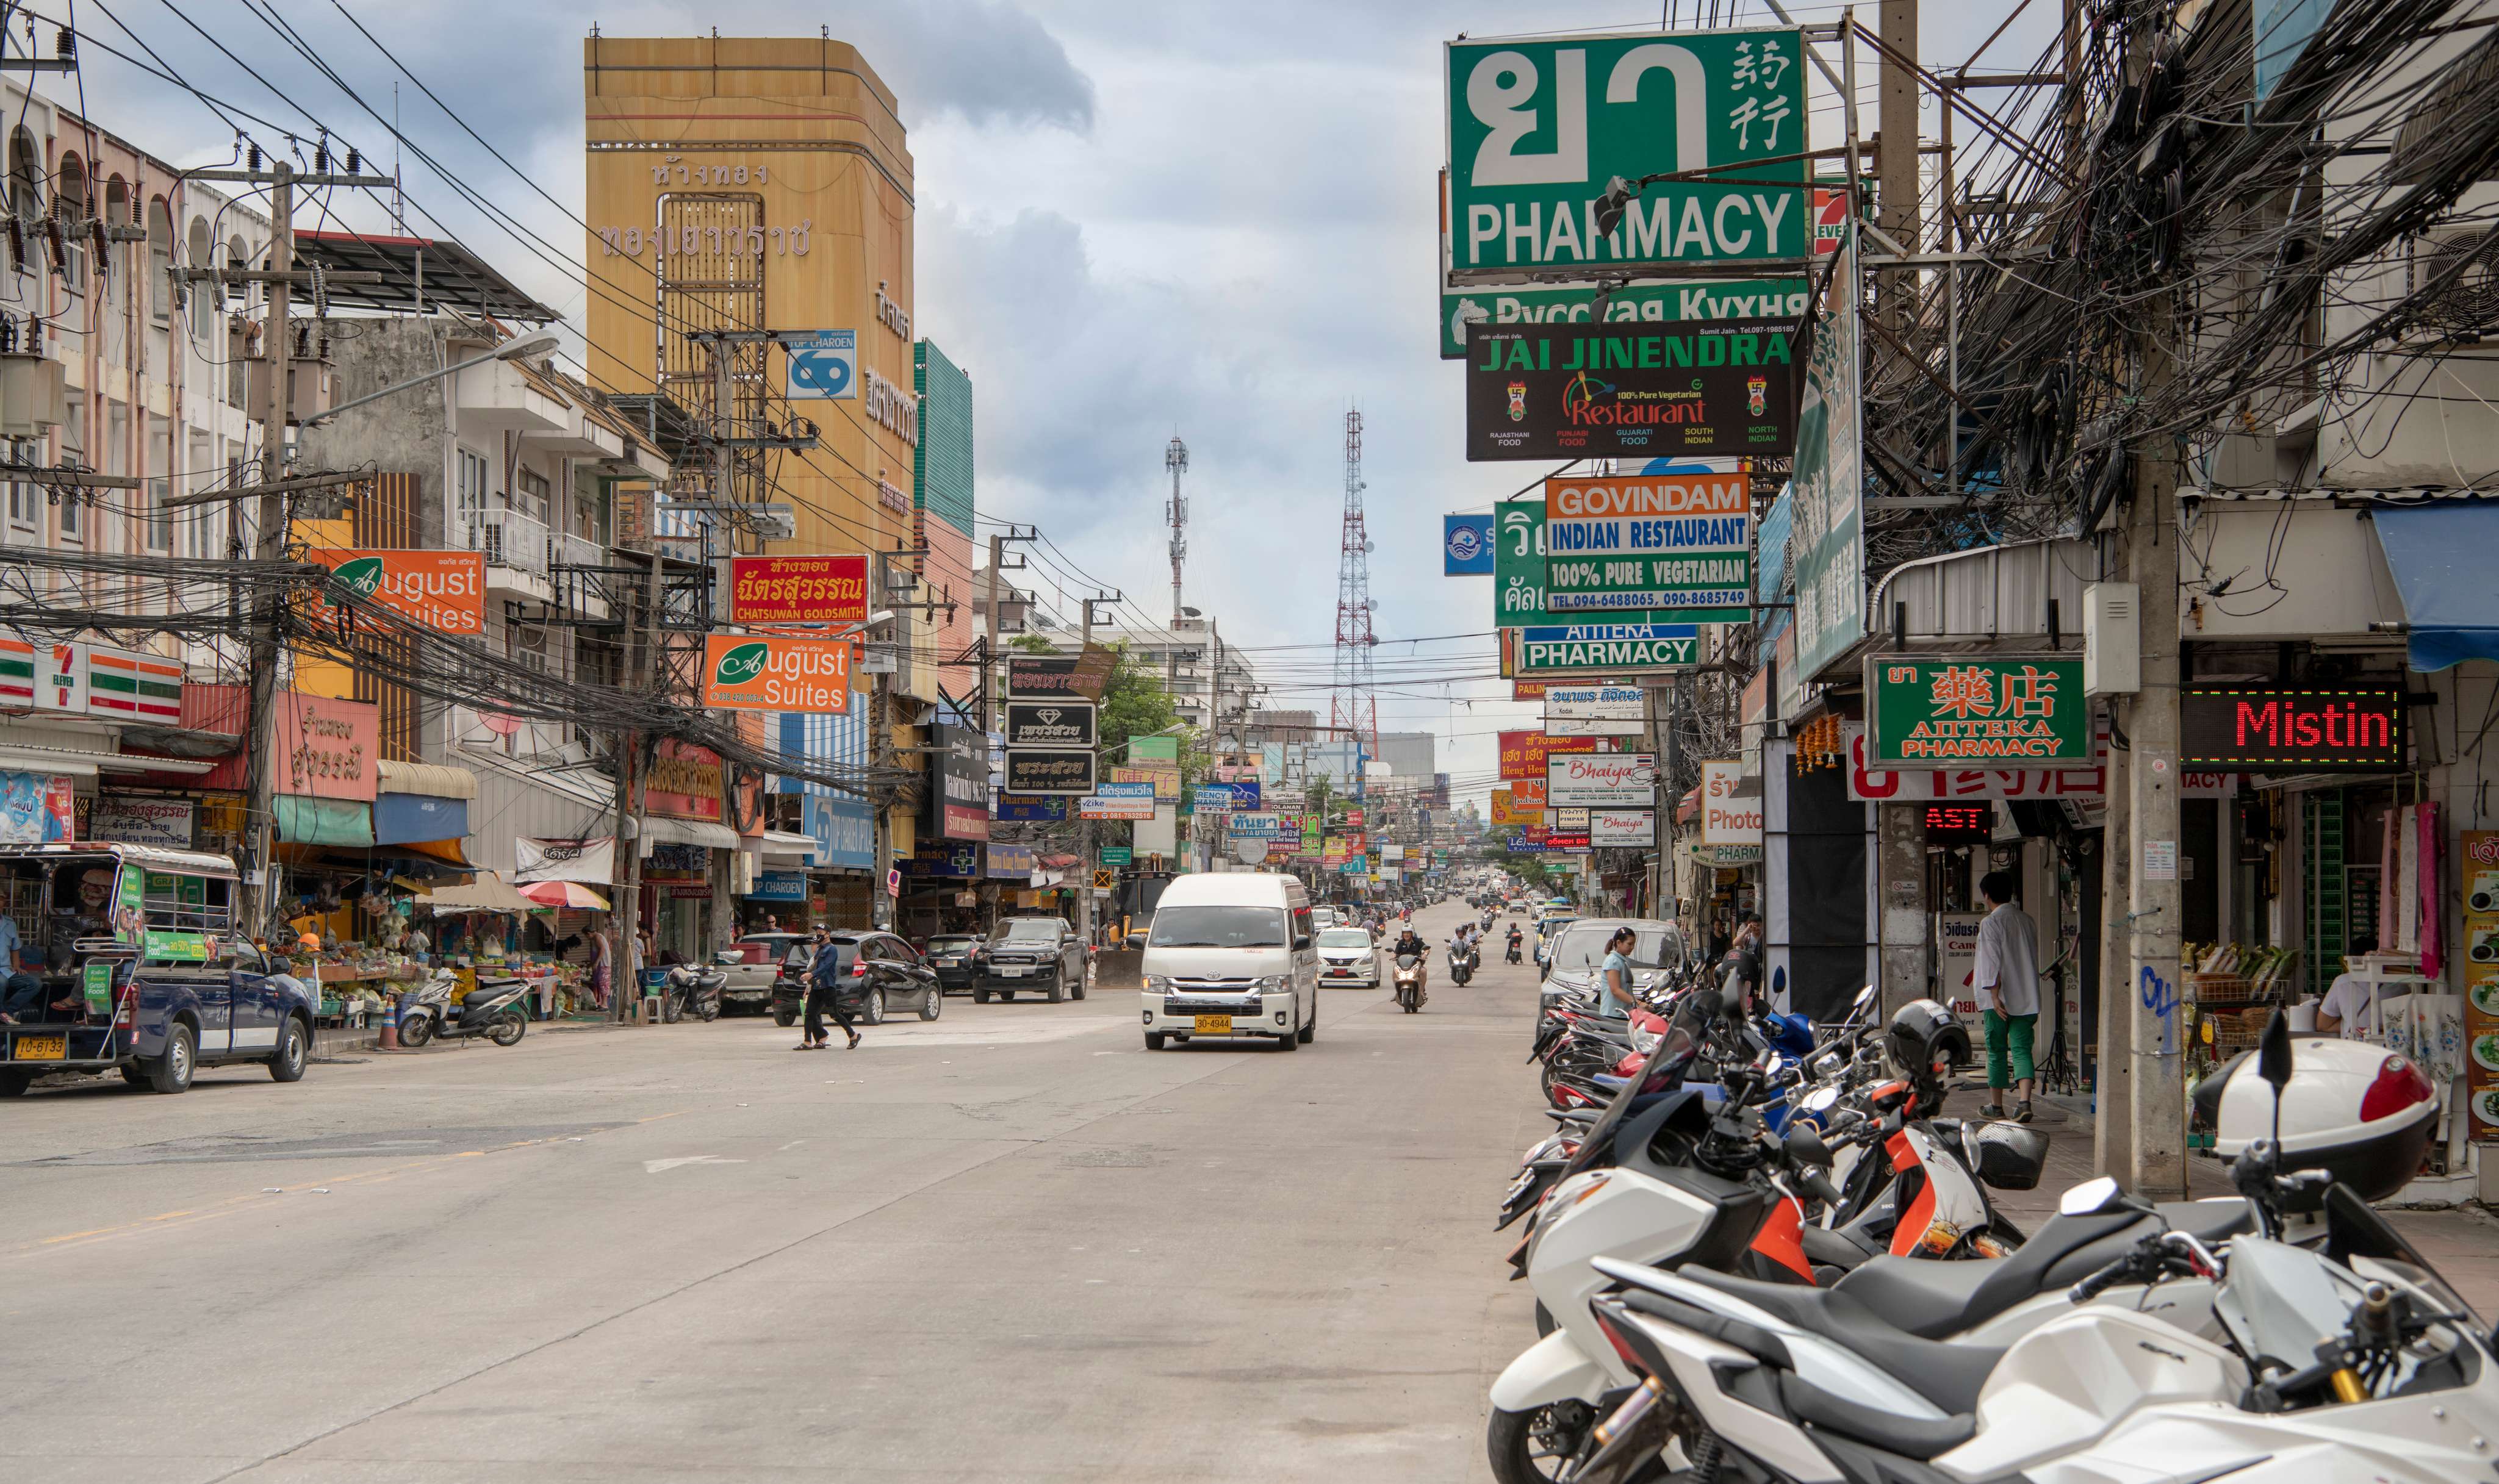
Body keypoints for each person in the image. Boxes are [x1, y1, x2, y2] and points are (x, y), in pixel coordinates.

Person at [1971, 870, 2042, 1124]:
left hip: (1998, 1000)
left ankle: (1996, 1106)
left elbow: (1992, 961)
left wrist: (1994, 995)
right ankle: (2024, 1102)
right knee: (2022, 1049)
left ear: (1987, 895)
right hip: (2027, 996)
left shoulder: (1991, 923)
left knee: (1997, 1051)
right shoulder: (2027, 920)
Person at [798, 930, 860, 1051]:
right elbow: (815, 966)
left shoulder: (832, 949)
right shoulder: (820, 949)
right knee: (809, 1014)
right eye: (817, 932)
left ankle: (853, 1036)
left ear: (828, 935)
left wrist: (811, 974)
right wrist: (809, 983)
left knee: (834, 1015)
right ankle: (807, 1042)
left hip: (828, 987)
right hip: (817, 987)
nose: (818, 934)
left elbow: (826, 966)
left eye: (821, 932)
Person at [2317, 937, 2382, 1039]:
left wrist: (2349, 1024)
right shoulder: (2401, 983)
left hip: (2355, 1048)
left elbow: (2323, 1025)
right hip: (2391, 1050)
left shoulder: (2343, 982)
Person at [0, 908, 43, 1022]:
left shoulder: (9, 923)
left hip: (6, 970)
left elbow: (15, 947)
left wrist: (17, 965)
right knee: (1, 982)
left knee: (35, 983)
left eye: (2, 899)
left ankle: (7, 1011)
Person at [1602, 925, 1641, 1013]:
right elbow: (1615, 990)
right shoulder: (1613, 961)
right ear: (1619, 943)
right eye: (1629, 944)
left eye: (1633, 944)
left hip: (1624, 1012)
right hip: (1614, 1014)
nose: (1632, 947)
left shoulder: (1622, 960)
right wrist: (1637, 1003)